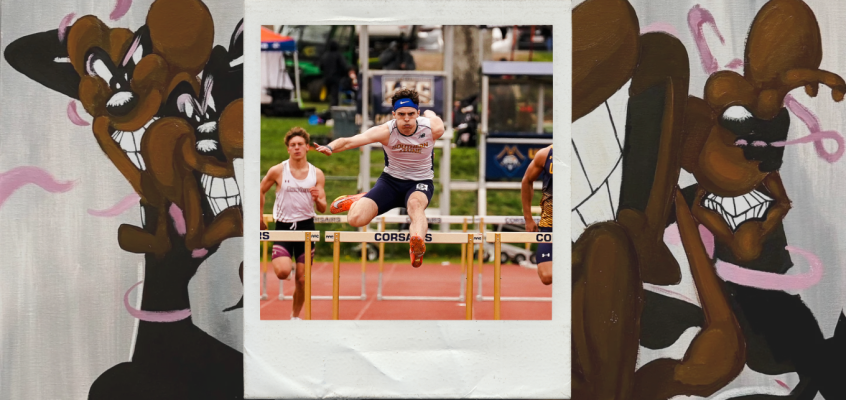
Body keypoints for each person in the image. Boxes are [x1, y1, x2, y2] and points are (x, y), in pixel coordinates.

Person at [313, 88, 444, 268]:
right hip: (390, 182)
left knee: (415, 206)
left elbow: (434, 118)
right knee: (355, 219)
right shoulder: (386, 131)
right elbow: (350, 141)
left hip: (419, 182)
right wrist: (330, 147)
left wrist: (430, 114)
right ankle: (359, 199)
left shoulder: (433, 128)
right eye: (401, 114)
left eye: (411, 114)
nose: (406, 119)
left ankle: (417, 246)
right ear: (393, 115)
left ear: (418, 114)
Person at [259, 127, 327, 319]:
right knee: (282, 272)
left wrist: (317, 199)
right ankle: (287, 266)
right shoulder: (278, 171)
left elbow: (323, 207)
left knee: (302, 280)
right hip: (284, 227)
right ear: (288, 149)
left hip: (306, 228)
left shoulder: (317, 174)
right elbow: (260, 190)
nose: (297, 148)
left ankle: (295, 317)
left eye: (300, 144)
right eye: (293, 145)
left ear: (307, 147)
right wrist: (259, 216)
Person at [521, 145, 552, 285]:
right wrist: (528, 218)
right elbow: (527, 180)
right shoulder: (545, 154)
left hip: (579, 225)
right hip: (550, 224)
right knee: (546, 276)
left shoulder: (587, 153)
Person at [319, 40, 357, 107]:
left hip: (326, 78)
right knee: (334, 95)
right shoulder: (338, 55)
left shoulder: (325, 55)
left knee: (331, 95)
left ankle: (331, 107)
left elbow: (321, 67)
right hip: (335, 78)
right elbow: (344, 66)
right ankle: (333, 108)